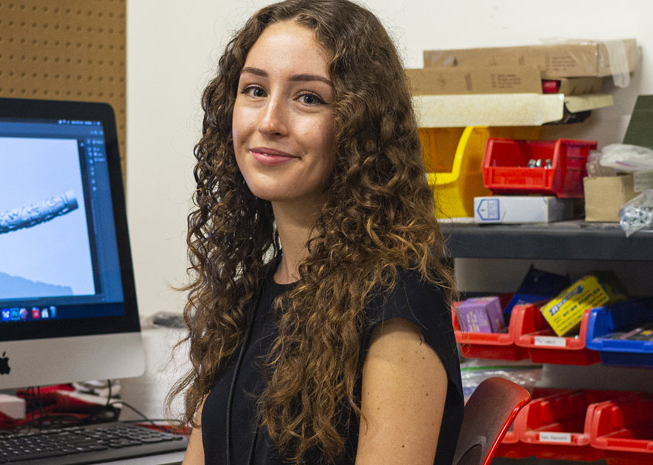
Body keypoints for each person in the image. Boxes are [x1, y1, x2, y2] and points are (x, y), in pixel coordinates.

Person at [173, 1, 462, 464]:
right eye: (253, 90)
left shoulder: (398, 302)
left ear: (360, 128)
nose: (268, 122)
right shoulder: (247, 293)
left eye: (308, 98)